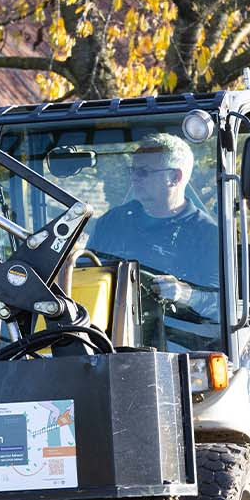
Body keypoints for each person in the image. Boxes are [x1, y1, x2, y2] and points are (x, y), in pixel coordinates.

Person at [82, 133, 220, 344]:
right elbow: (85, 274)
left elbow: (224, 306)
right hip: (106, 339)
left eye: (143, 172)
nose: (134, 178)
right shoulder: (111, 223)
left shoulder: (207, 235)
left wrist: (184, 293)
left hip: (179, 346)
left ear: (175, 177)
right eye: (133, 171)